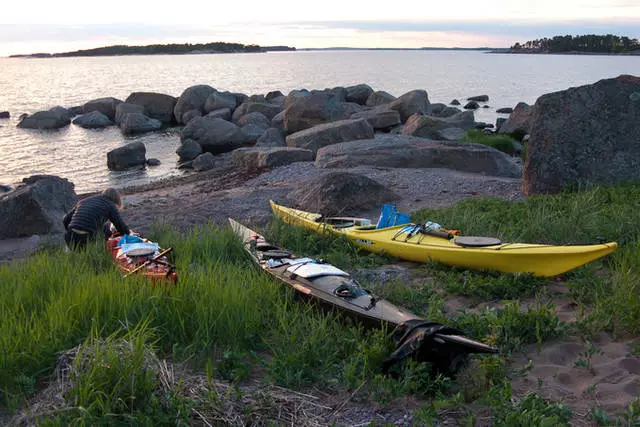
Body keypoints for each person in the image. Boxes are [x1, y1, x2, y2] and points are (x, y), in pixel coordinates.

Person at [62, 187, 130, 250]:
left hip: (70, 237)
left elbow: (65, 219)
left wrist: (72, 230)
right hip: (87, 238)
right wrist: (127, 234)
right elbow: (120, 225)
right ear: (116, 199)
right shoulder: (110, 205)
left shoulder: (84, 201)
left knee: (104, 227)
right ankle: (103, 249)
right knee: (106, 227)